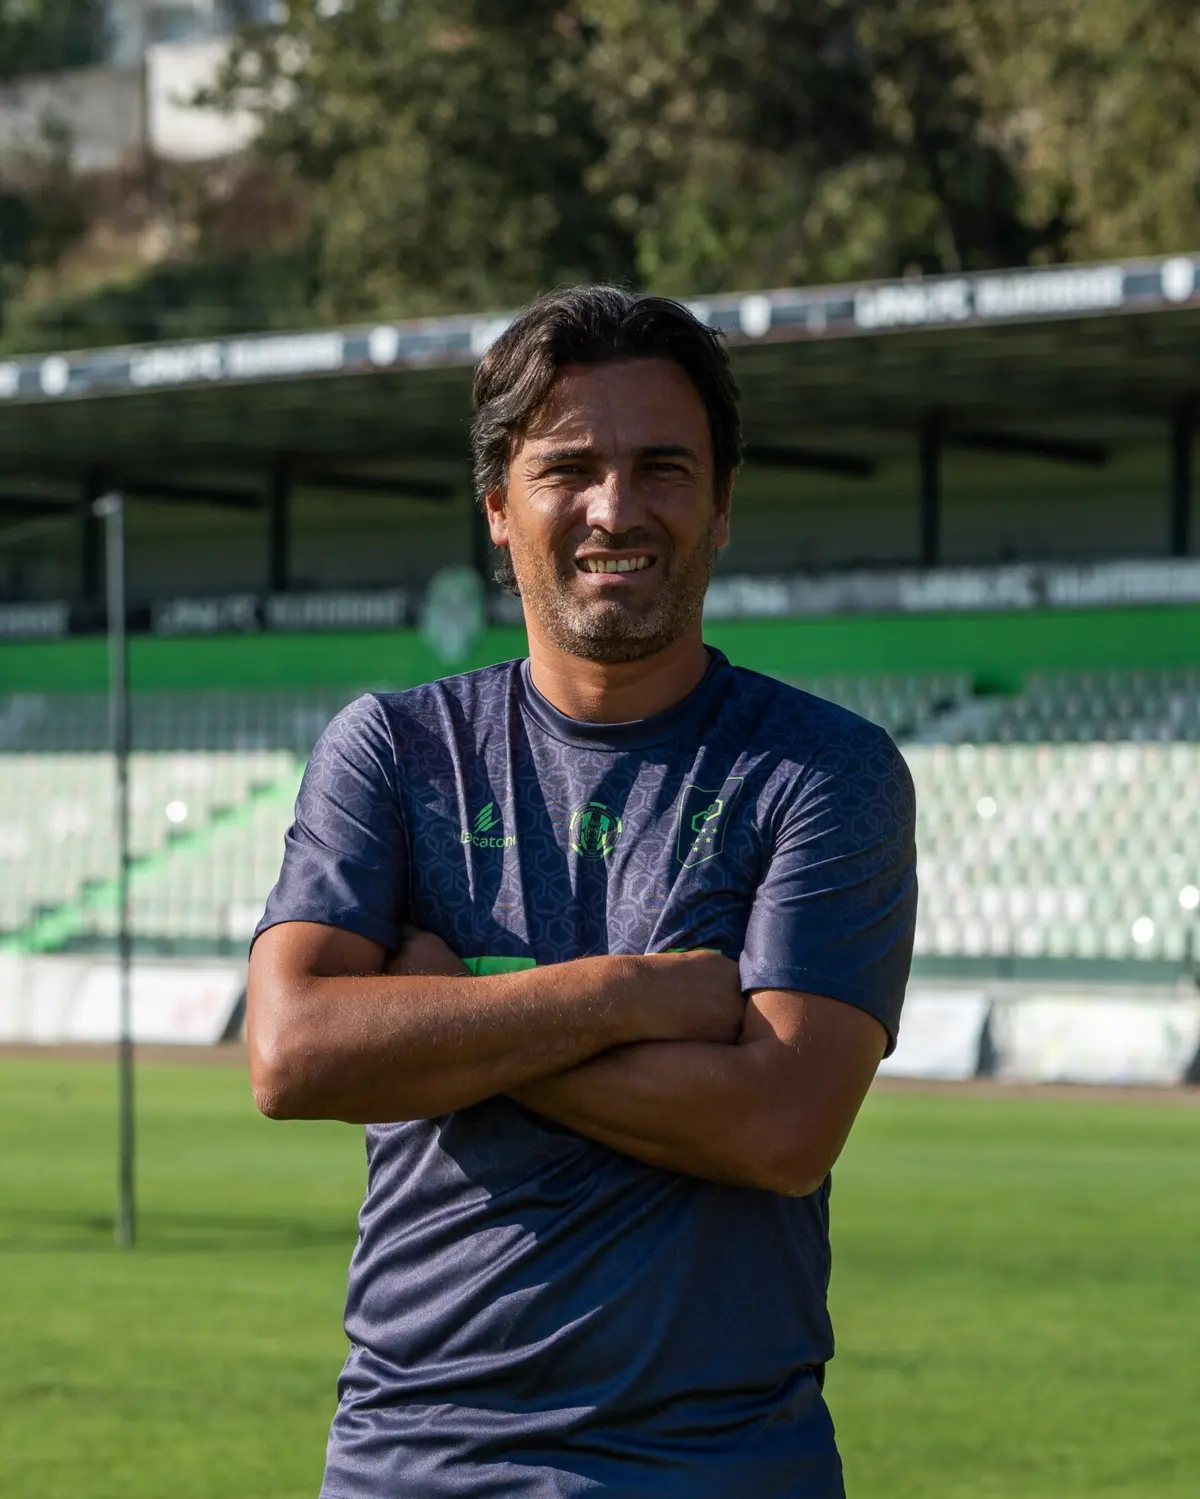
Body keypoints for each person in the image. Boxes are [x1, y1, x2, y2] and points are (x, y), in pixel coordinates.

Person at [248, 286, 917, 1499]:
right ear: (499, 507)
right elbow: (295, 1051)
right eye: (569, 468)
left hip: (718, 1465)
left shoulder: (827, 770)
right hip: (417, 1460)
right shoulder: (394, 750)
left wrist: (448, 1015)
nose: (618, 507)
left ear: (721, 508)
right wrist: (624, 994)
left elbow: (779, 1126)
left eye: (665, 466)